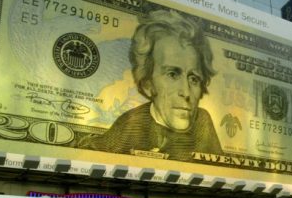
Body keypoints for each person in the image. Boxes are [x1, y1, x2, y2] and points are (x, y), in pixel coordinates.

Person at [82, 9, 222, 160]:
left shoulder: (202, 122)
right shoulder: (130, 124)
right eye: (172, 75)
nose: (186, 92)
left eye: (194, 79)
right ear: (148, 84)